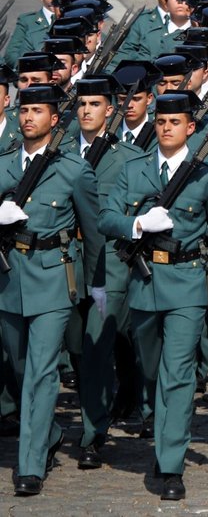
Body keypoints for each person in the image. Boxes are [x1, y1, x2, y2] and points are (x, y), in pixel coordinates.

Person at [98, 91, 208, 500]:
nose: (166, 128)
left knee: (176, 375)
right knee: (152, 370)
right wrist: (136, 224)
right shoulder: (133, 169)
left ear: (190, 128)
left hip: (187, 284)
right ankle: (164, 430)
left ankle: (171, 464)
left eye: (175, 122)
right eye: (160, 122)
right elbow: (105, 217)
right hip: (143, 283)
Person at [0, 84, 104, 495]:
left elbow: (93, 235)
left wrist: (97, 286)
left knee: (41, 373)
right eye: (24, 111)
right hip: (8, 279)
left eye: (38, 111)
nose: (28, 118)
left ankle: (30, 466)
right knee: (21, 368)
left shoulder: (73, 170)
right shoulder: (3, 165)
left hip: (51, 278)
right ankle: (49, 431)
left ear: (53, 120)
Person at [73, 76, 143, 470]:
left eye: (95, 104)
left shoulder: (127, 158)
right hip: (67, 262)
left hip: (108, 264)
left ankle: (91, 434)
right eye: (82, 104)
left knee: (97, 348)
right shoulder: (62, 152)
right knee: (74, 346)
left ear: (110, 110)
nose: (86, 110)